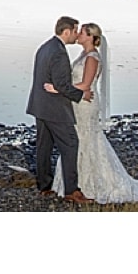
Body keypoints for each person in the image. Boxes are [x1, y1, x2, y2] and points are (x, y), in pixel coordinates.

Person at [48, 22, 138, 203]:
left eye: (82, 32)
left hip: (85, 103)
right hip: (78, 102)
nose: (78, 34)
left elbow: (86, 85)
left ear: (91, 37)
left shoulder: (92, 57)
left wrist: (57, 89)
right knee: (78, 138)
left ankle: (90, 183)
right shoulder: (83, 54)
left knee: (86, 138)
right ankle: (74, 182)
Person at [26, 15, 93, 204]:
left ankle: (44, 186)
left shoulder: (45, 47)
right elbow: (62, 85)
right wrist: (82, 95)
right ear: (66, 31)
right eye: (74, 31)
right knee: (70, 144)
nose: (76, 34)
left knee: (44, 147)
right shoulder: (59, 52)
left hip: (39, 105)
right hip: (55, 108)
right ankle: (72, 190)